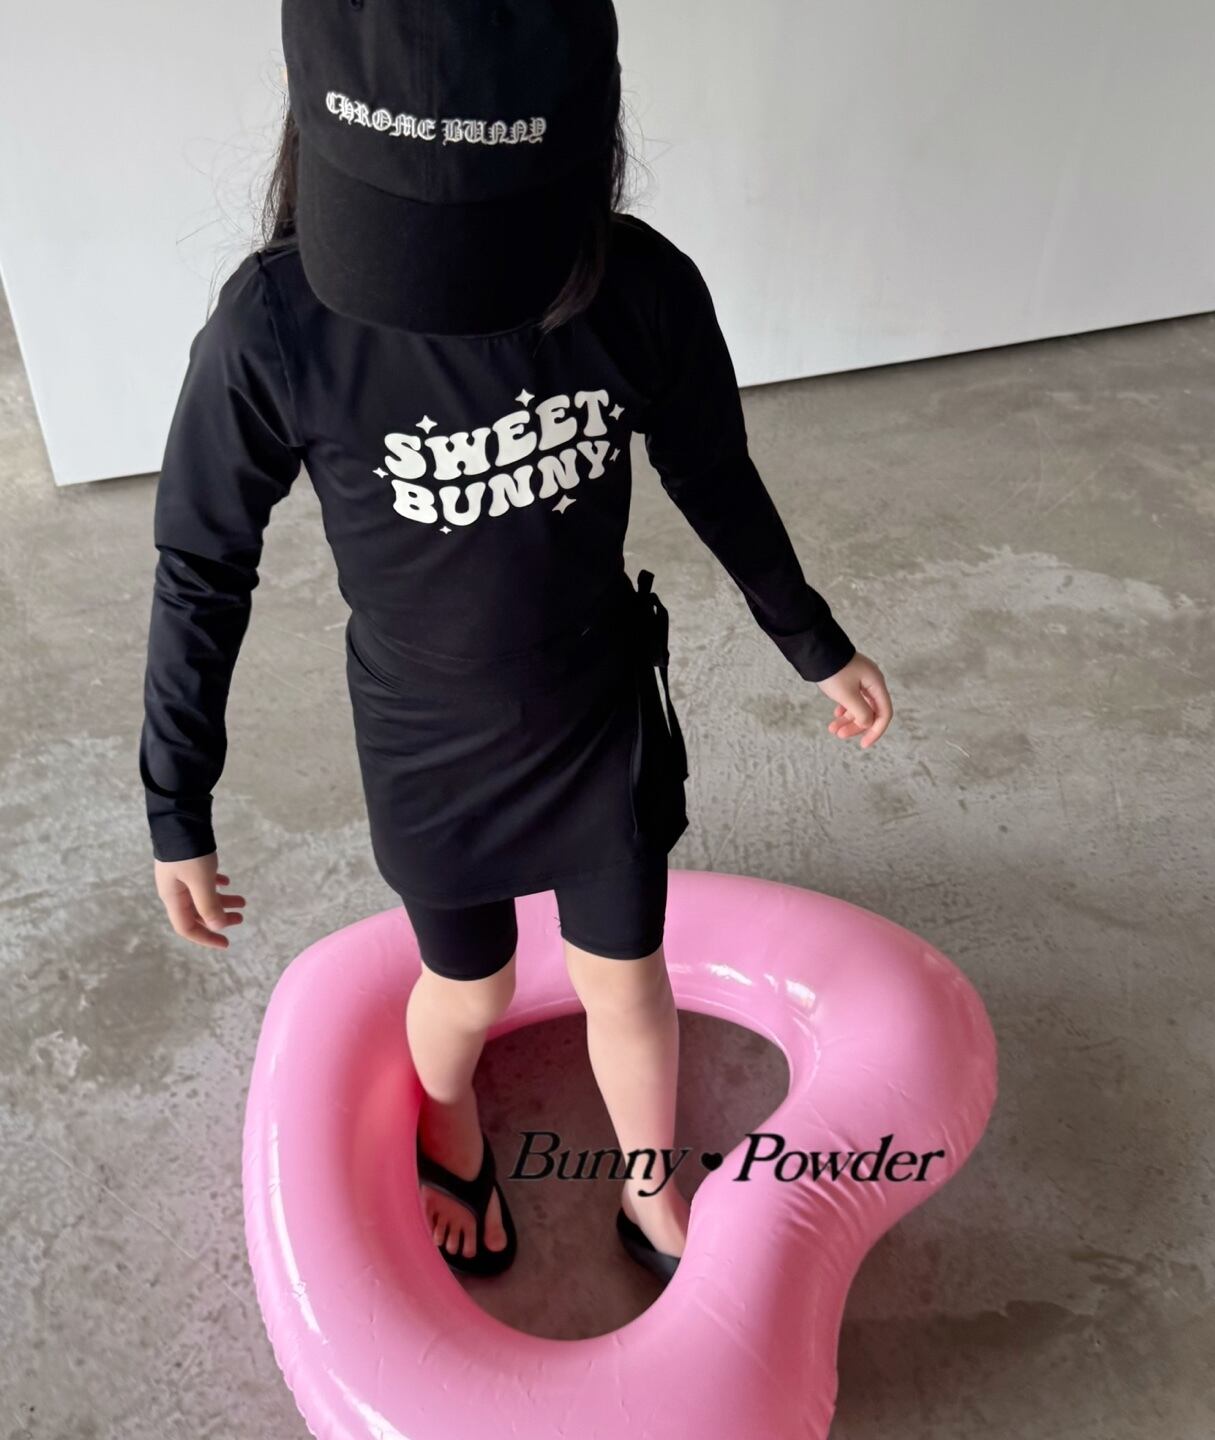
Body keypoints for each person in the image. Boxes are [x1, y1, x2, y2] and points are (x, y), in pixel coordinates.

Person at [140, 0, 892, 1284]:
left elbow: (715, 473)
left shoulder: (638, 289)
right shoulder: (277, 327)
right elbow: (203, 563)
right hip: (425, 740)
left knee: (628, 977)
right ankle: (447, 1114)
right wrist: (176, 802)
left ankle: (652, 1186)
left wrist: (810, 638)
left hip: (593, 710)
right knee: (471, 988)